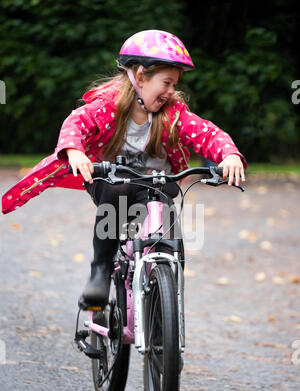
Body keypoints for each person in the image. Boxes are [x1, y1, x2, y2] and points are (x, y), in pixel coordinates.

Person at [1, 30, 246, 307]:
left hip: (156, 182)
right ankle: (101, 271)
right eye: (165, 83)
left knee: (167, 230)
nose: (170, 91)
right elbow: (76, 123)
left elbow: (207, 133)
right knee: (118, 191)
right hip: (110, 180)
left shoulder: (173, 114)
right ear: (140, 76)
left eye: (174, 84)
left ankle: (163, 299)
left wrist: (229, 155)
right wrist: (74, 151)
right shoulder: (108, 107)